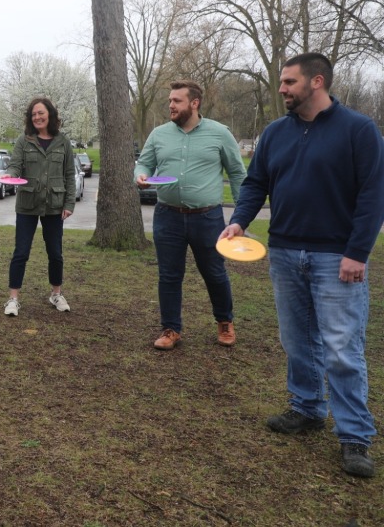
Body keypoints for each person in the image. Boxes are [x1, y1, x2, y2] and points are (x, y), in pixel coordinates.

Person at [221, 53, 384, 478]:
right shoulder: (275, 133)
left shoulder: (359, 130)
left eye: (290, 82)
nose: (282, 89)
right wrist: (239, 220)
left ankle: (354, 436)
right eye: (282, 82)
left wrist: (357, 252)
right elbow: (256, 182)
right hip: (285, 252)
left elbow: (372, 196)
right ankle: (308, 409)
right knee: (296, 340)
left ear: (316, 82)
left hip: (337, 257)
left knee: (342, 349)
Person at [135, 80, 246, 350]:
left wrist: (241, 216)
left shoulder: (220, 133)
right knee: (169, 275)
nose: (170, 105)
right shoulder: (159, 134)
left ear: (194, 103)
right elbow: (144, 161)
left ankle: (224, 322)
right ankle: (171, 329)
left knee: (215, 273)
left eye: (176, 101)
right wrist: (141, 174)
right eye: (170, 100)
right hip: (167, 216)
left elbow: (237, 173)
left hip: (207, 218)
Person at [3, 97, 76, 317]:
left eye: (41, 113)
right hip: (27, 204)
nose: (37, 117)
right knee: (21, 252)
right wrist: (10, 175)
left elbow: (69, 175)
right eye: (33, 114)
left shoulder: (63, 142)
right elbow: (15, 165)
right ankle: (13, 299)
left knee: (55, 253)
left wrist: (69, 203)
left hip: (54, 205)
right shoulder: (24, 141)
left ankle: (56, 294)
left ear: (50, 115)